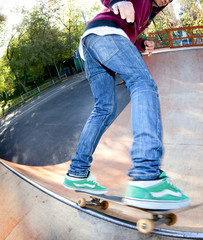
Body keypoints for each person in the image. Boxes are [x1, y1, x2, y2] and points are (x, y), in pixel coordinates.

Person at [64, 0, 190, 210]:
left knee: (104, 109)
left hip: (92, 43)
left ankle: (77, 172)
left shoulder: (148, 12)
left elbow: (127, 34)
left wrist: (142, 44)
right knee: (143, 83)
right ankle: (146, 176)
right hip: (106, 34)